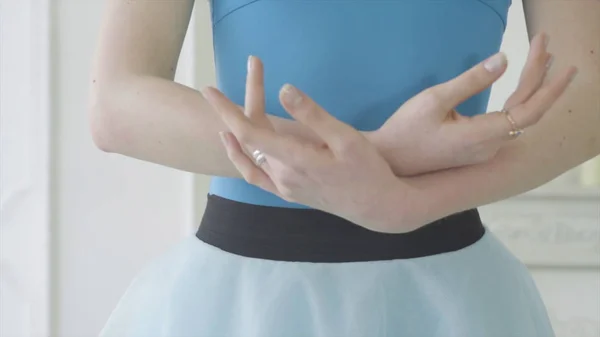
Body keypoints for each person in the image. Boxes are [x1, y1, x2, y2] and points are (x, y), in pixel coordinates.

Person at [90, 0, 599, 336]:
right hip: (237, 301)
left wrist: (413, 203)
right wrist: (380, 157)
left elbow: (591, 95)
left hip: (452, 297)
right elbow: (116, 104)